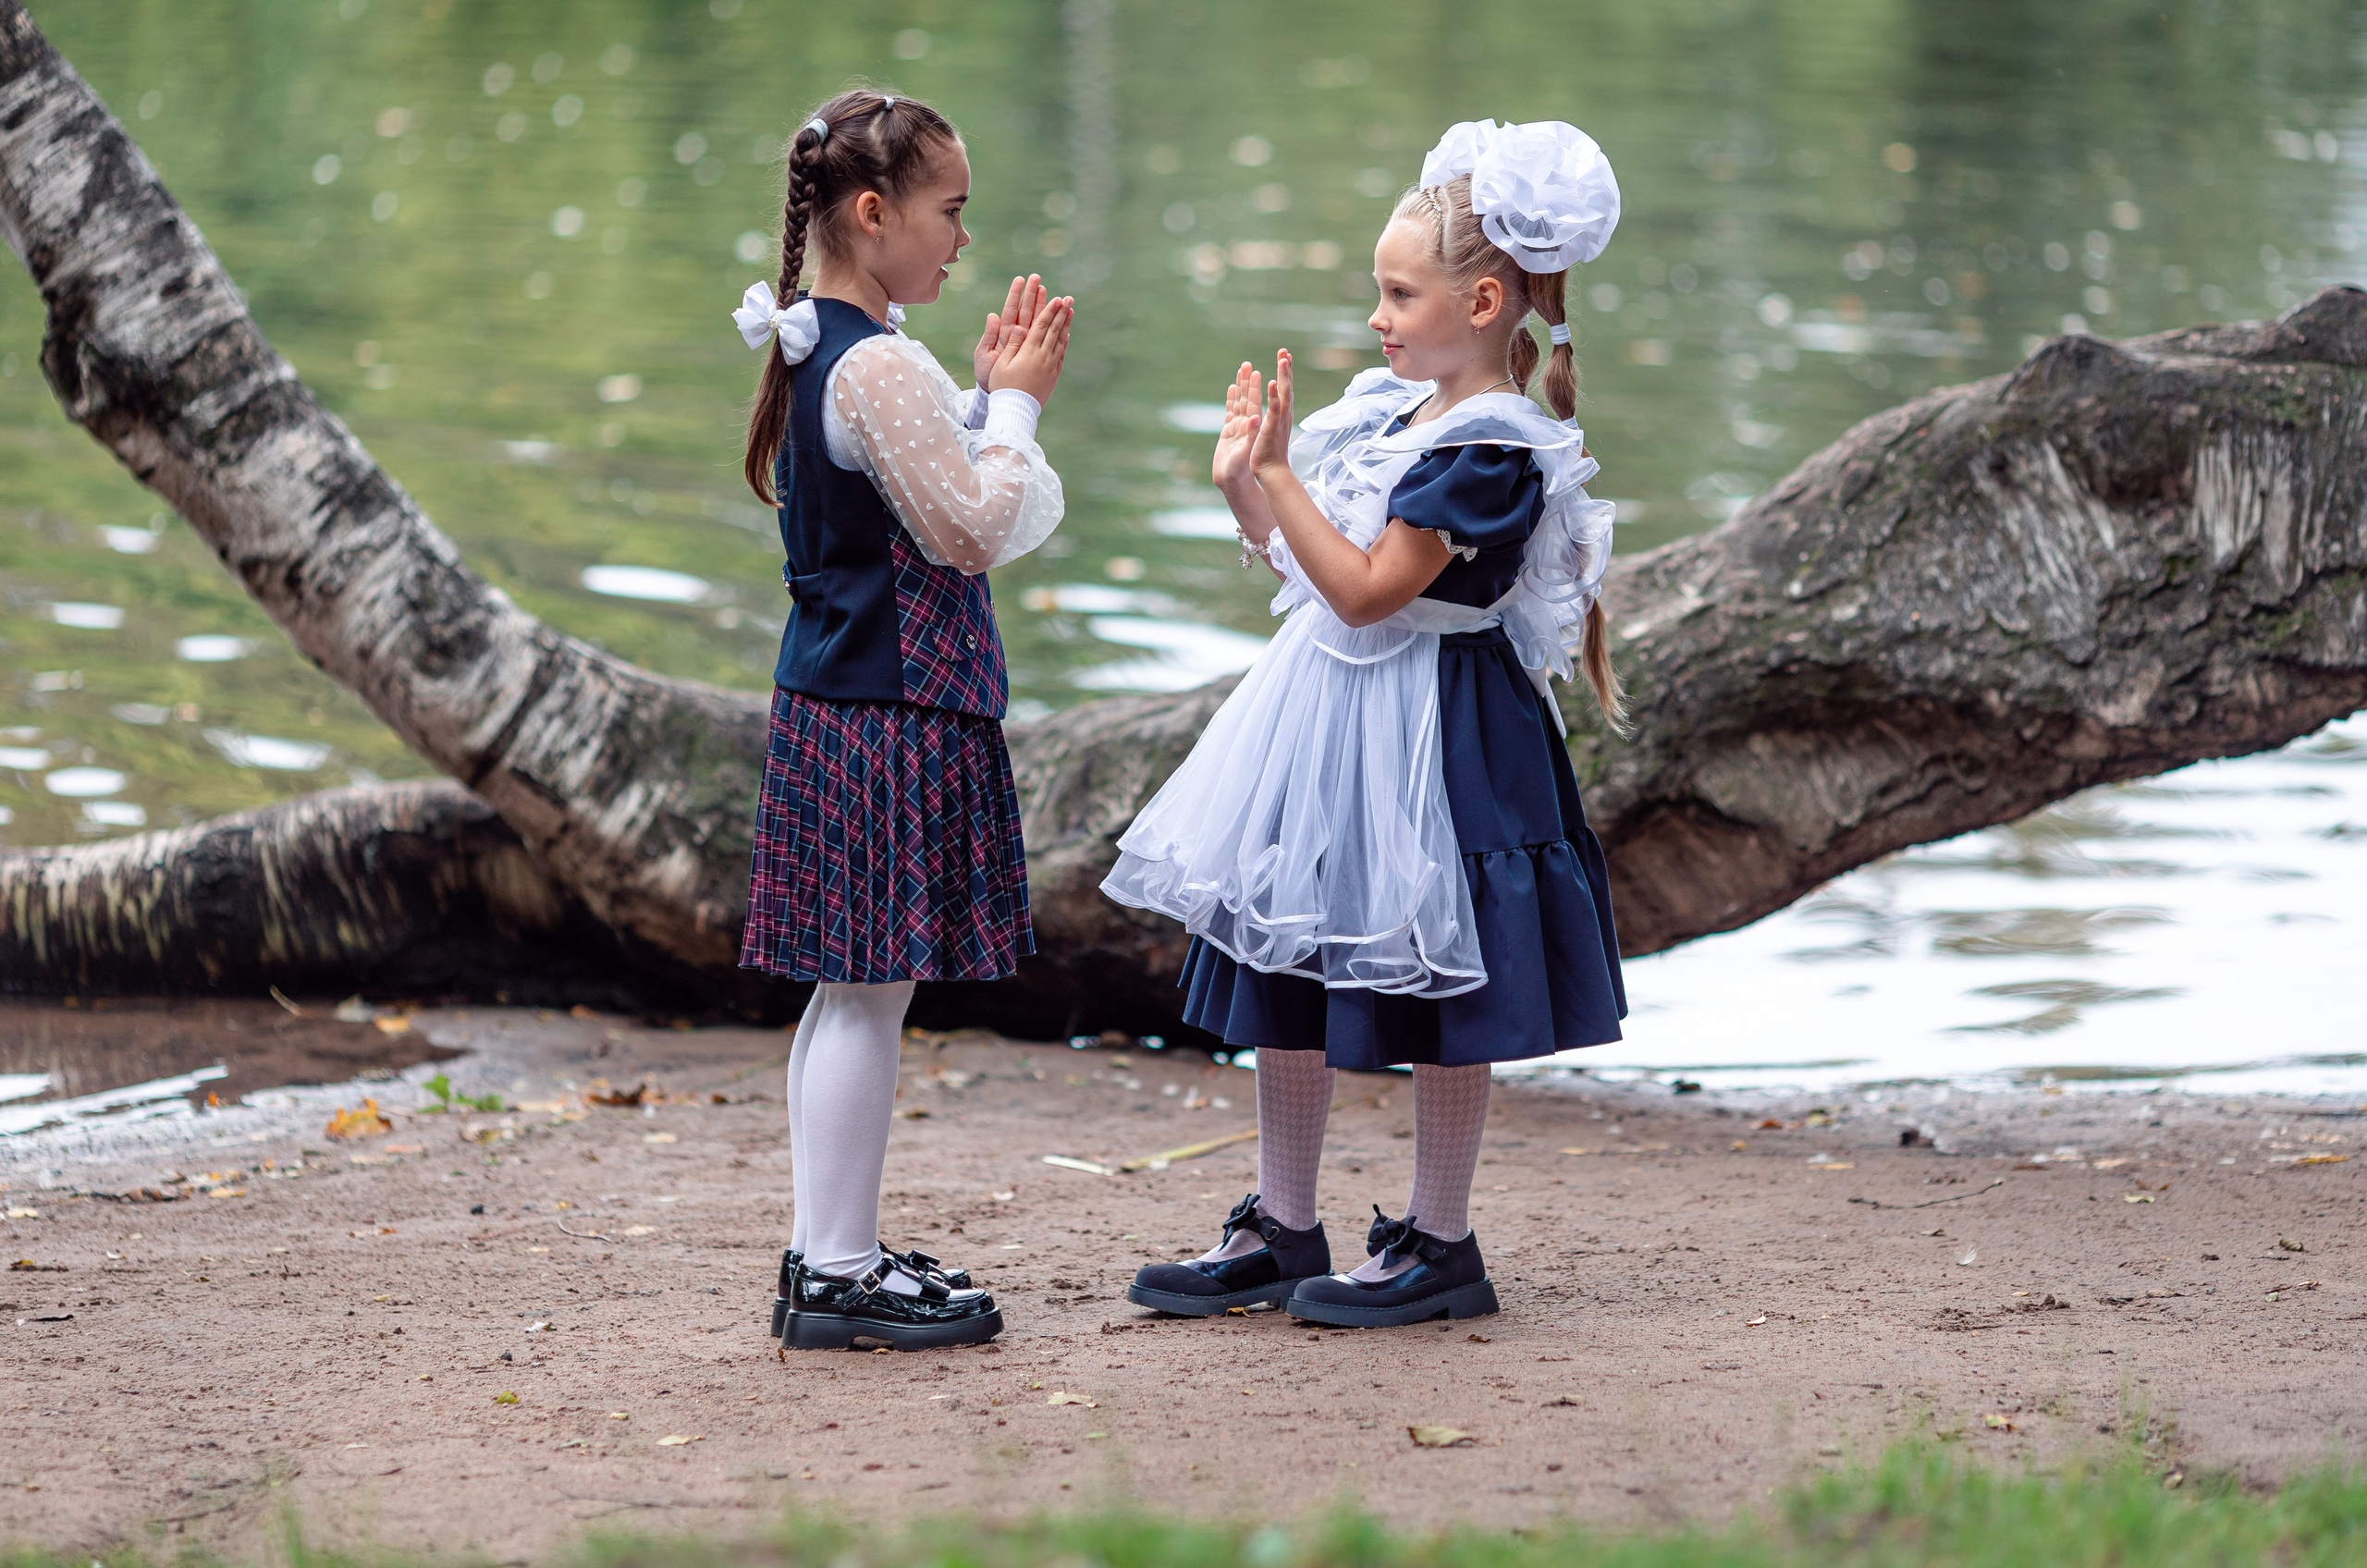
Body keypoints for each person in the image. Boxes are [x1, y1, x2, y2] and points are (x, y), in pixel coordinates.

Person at [1103, 120, 1626, 1328]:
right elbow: (1309, 569)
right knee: (1286, 947)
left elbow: (1373, 589)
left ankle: (1440, 1243)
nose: (1380, 317)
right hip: (1327, 713)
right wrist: (1250, 478)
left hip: (1441, 730)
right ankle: (1283, 1225)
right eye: (1378, 292)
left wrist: (1282, 478)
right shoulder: (1393, 417)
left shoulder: (1489, 447)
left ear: (1484, 299)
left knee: (1445, 975)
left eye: (1401, 293)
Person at [732, 87, 1073, 1351]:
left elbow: (918, 483)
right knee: (869, 994)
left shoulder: (829, 343)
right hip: (885, 707)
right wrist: (1022, 408)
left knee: (852, 993)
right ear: (873, 215)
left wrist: (981, 401)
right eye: (950, 212)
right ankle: (837, 1267)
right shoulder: (871, 360)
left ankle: (833, 1253)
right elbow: (970, 530)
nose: (961, 240)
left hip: (843, 697)